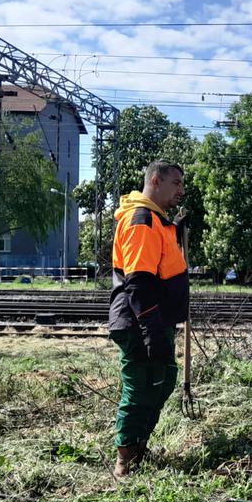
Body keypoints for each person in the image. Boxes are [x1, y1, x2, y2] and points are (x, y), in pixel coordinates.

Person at [108, 160, 188, 478]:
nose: (181, 190)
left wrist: (176, 231)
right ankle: (126, 459)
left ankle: (138, 445)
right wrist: (151, 326)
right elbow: (139, 281)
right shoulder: (142, 220)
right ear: (155, 180)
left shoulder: (157, 220)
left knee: (163, 379)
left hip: (154, 320)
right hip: (140, 321)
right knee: (141, 386)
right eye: (176, 183)